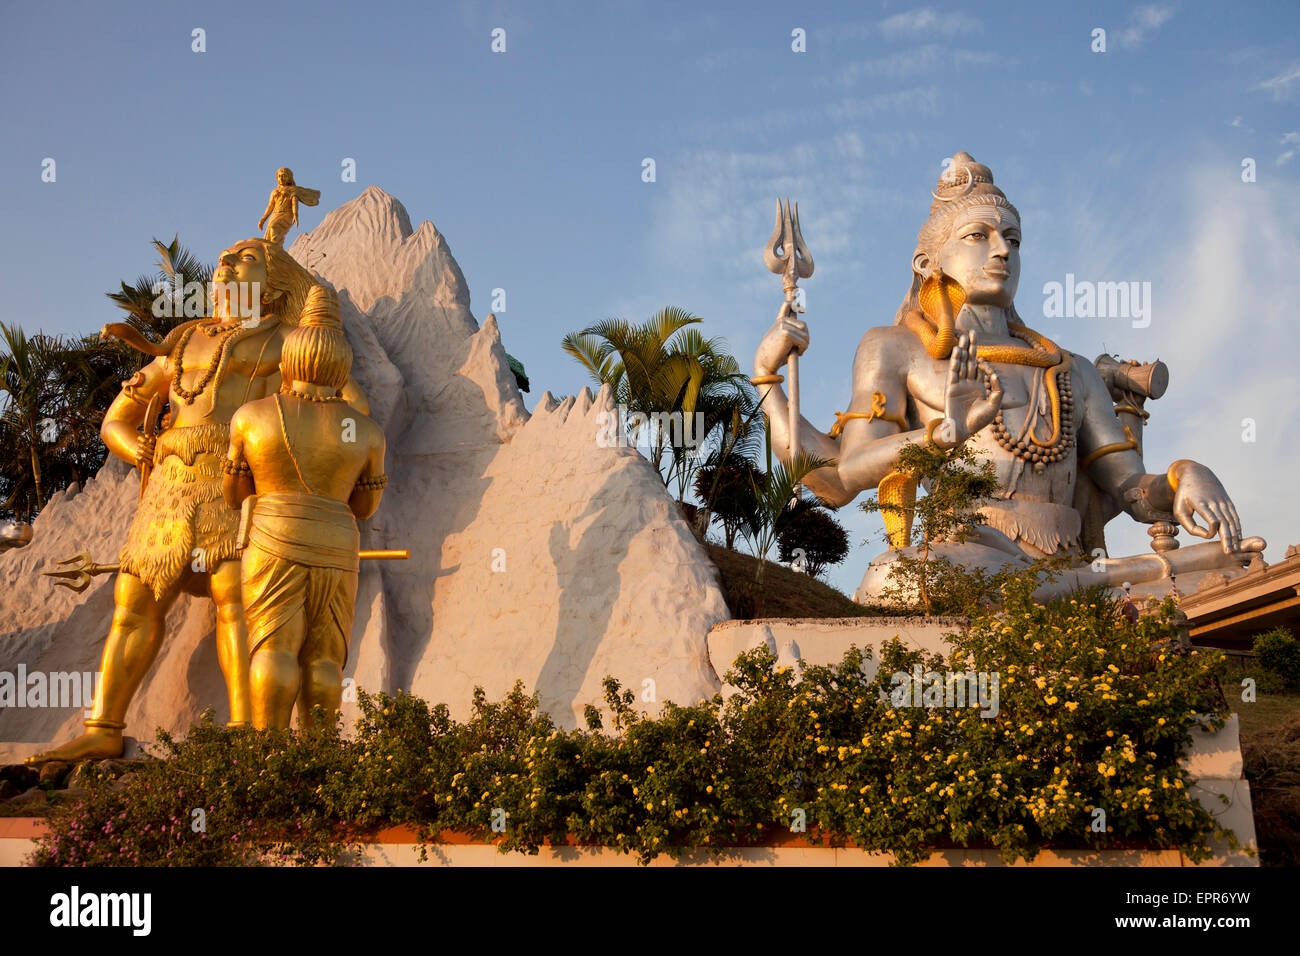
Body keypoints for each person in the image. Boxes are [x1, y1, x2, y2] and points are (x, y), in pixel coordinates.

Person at [752, 152, 1259, 600]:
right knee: (895, 578)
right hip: (969, 558)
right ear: (927, 262)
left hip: (1068, 558)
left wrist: (1185, 475)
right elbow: (843, 475)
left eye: (1012, 239)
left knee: (1233, 565)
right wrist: (768, 378)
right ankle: (1095, 588)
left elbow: (1130, 488)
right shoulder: (895, 348)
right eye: (979, 236)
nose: (1002, 251)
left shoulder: (1070, 368)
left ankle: (1082, 585)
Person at [30, 239, 368, 763]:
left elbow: (347, 410)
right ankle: (104, 726)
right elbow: (117, 416)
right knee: (135, 600)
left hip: (238, 476)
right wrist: (132, 443)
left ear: (275, 283)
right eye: (225, 257)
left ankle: (243, 730)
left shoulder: (291, 343)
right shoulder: (185, 342)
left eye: (247, 258)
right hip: (169, 485)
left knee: (235, 594)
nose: (227, 264)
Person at [223, 286, 386, 730]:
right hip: (336, 543)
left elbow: (234, 495)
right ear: (341, 365)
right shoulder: (366, 431)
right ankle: (319, 764)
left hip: (272, 536)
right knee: (326, 659)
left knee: (274, 648)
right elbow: (366, 507)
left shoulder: (251, 416)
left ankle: (268, 756)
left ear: (289, 358)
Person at [258, 167, 320, 246]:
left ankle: (275, 249)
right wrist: (263, 219)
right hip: (275, 214)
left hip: (287, 214)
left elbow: (294, 202)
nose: (281, 178)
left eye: (284, 176)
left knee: (274, 226)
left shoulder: (292, 189)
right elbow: (270, 206)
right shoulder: (274, 191)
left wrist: (295, 215)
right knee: (270, 231)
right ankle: (275, 249)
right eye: (279, 176)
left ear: (289, 177)